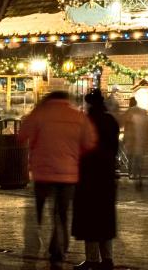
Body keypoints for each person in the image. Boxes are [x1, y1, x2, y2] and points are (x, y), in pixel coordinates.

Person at [19, 90, 97, 267]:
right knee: (61, 214)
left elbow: (22, 135)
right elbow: (90, 142)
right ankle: (58, 251)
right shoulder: (78, 116)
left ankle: (33, 249)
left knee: (38, 212)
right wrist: (74, 156)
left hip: (42, 174)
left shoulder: (40, 113)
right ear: (66, 100)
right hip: (68, 174)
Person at [72, 89, 120, 270]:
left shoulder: (85, 122)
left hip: (88, 175)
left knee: (90, 218)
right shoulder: (111, 121)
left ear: (90, 104)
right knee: (105, 218)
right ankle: (107, 258)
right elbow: (114, 148)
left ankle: (92, 259)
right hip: (106, 175)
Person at [121, 97, 148, 189]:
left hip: (131, 139)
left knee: (130, 157)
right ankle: (137, 174)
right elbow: (147, 127)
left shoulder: (129, 112)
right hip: (140, 138)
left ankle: (131, 174)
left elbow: (125, 126)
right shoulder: (143, 112)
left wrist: (125, 138)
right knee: (138, 157)